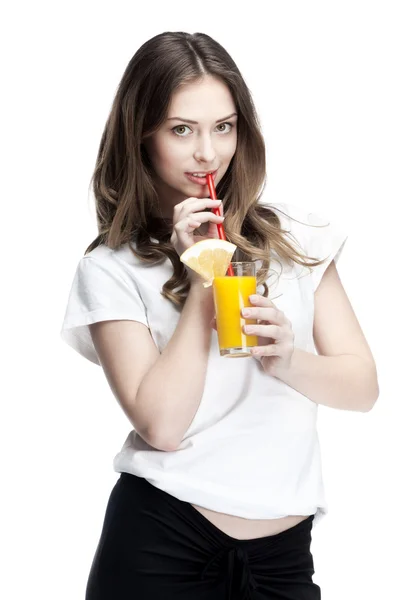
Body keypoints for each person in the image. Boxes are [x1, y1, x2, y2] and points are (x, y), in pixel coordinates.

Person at [60, 31, 379, 600]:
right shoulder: (111, 268)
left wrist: (285, 359)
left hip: (283, 559)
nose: (207, 153)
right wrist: (205, 281)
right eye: (182, 129)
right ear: (143, 137)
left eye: (223, 126)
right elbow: (161, 426)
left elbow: (362, 388)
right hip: (161, 546)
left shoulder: (297, 238)